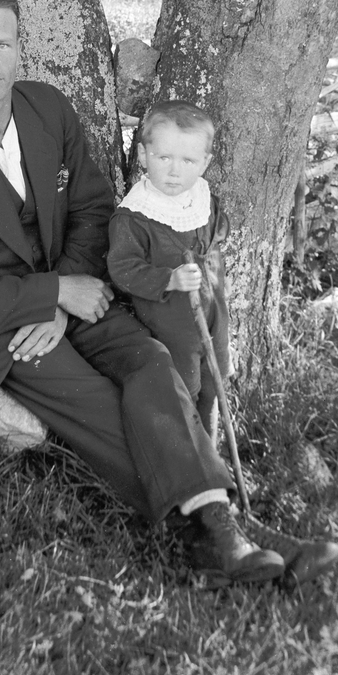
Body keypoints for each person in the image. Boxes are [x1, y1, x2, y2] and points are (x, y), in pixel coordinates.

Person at [0, 0, 338, 586]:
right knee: (100, 404)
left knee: (151, 362)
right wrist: (52, 296)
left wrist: (65, 292)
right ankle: (224, 534)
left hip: (77, 292)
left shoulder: (46, 109)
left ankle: (224, 534)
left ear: (20, 46)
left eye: (3, 43)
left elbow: (93, 209)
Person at [107, 101, 229, 443]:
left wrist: (208, 252)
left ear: (204, 163)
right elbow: (123, 268)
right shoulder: (137, 215)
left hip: (215, 312)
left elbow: (218, 229)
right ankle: (191, 452)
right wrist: (169, 279)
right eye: (164, 158)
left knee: (215, 380)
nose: (175, 171)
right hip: (173, 324)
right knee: (185, 389)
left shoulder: (201, 198)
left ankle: (214, 444)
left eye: (188, 161)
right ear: (143, 155)